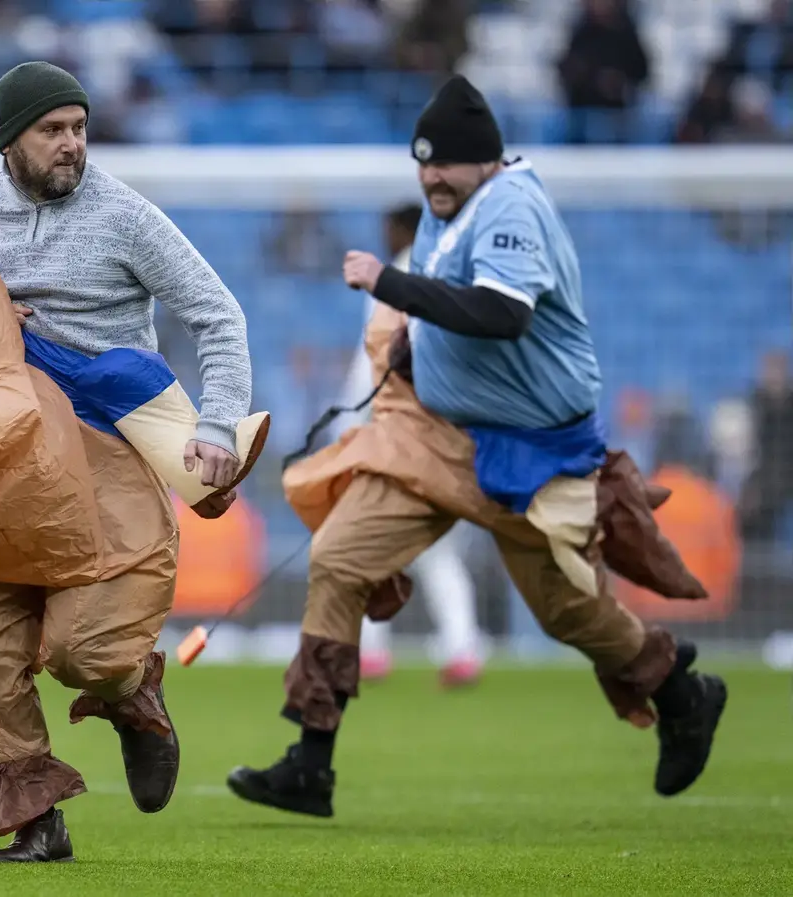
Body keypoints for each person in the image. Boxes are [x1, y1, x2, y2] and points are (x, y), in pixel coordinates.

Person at [226, 75, 727, 819]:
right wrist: (409, 348)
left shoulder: (512, 207)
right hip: (437, 437)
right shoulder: (447, 209)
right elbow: (446, 306)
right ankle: (311, 760)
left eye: (446, 163)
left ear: (486, 160)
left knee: (570, 614)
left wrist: (389, 283)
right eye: (421, 162)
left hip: (530, 450)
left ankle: (682, 690)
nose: (431, 176)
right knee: (339, 556)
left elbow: (502, 314)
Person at [0, 62, 254, 861]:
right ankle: (38, 822)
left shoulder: (125, 216)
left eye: (79, 127)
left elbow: (218, 315)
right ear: (10, 140)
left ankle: (130, 686)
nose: (72, 144)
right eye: (53, 130)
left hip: (106, 452)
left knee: (83, 653)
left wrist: (217, 423)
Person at [340, 204, 488, 687]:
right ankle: (462, 649)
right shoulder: (452, 277)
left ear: (399, 230)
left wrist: (346, 423)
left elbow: (373, 359)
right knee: (439, 551)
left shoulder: (390, 279)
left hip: (396, 434)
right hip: (447, 435)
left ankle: (371, 653)